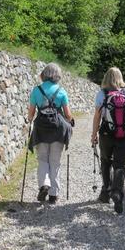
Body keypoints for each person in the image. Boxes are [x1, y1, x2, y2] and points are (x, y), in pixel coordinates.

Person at [27, 63, 74, 204]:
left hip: (41, 129)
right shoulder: (61, 91)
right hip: (58, 131)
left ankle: (44, 185)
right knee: (55, 161)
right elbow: (68, 114)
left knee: (42, 160)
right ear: (57, 75)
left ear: (44, 74)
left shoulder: (36, 90)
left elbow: (30, 115)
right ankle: (53, 195)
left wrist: (30, 120)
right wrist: (71, 121)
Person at [91, 67, 125, 214]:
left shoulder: (102, 94)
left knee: (105, 160)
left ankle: (106, 192)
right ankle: (117, 192)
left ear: (106, 78)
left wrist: (94, 134)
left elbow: (97, 116)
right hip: (123, 135)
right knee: (120, 164)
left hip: (106, 133)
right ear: (120, 77)